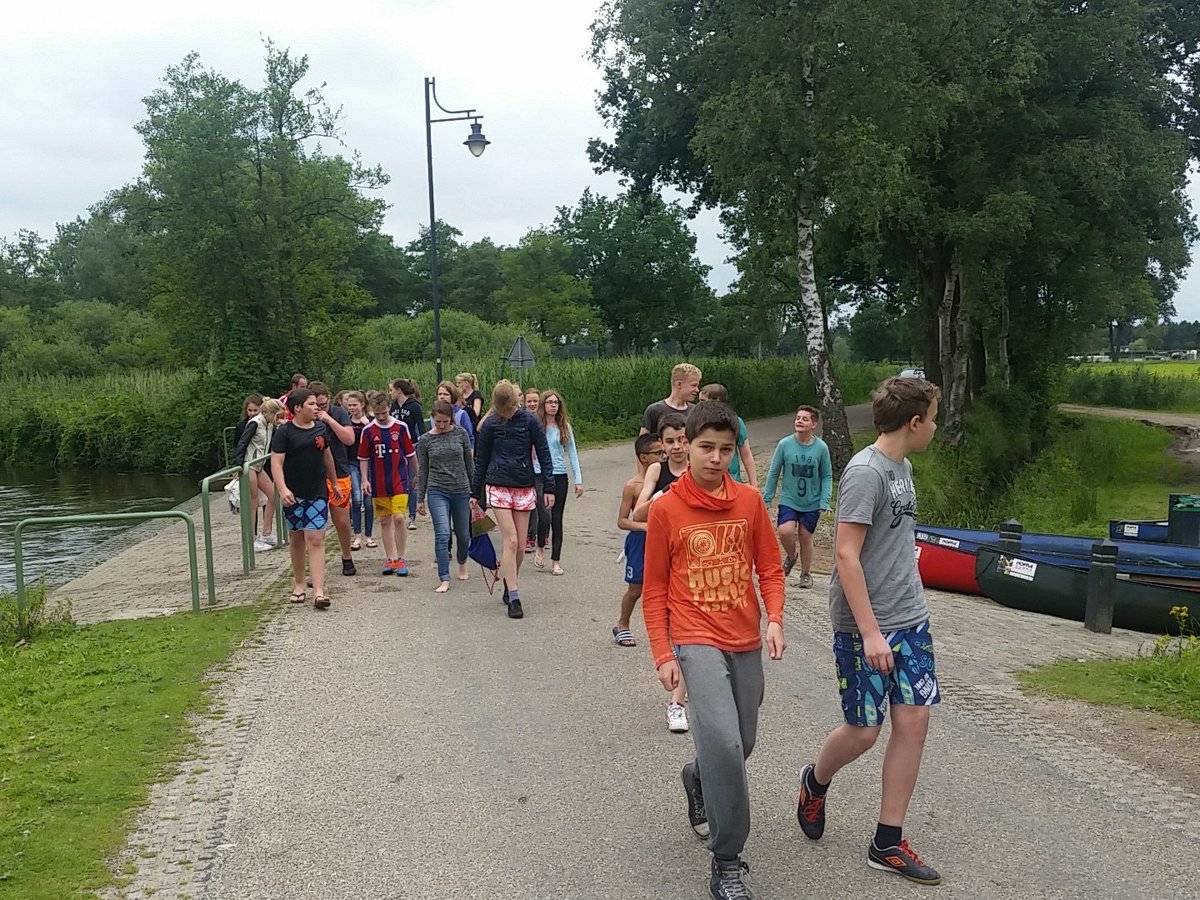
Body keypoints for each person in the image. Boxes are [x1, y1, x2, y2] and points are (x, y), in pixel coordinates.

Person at [795, 377, 942, 886]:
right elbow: (845, 555)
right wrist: (871, 633)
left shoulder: (904, 468)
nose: (936, 427)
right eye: (934, 418)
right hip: (866, 627)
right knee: (863, 731)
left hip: (910, 619)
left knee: (914, 723)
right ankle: (815, 782)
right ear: (914, 422)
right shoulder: (866, 472)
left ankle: (887, 841)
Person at [642, 401, 786, 900]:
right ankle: (726, 861)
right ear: (685, 445)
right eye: (707, 447)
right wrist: (663, 653)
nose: (716, 458)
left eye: (726, 449)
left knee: (740, 743)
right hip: (694, 636)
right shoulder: (666, 509)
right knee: (724, 744)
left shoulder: (749, 502)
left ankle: (698, 777)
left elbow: (770, 568)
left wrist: (775, 619)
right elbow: (655, 589)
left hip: (745, 638)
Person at [471, 379, 554, 620]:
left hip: (524, 485)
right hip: (497, 485)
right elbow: (481, 459)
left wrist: (549, 487)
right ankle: (515, 597)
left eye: (509, 409)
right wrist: (475, 493)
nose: (506, 414)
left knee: (519, 546)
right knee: (512, 540)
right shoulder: (490, 424)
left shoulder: (530, 421)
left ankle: (510, 581)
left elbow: (544, 453)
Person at [632, 412, 691, 732]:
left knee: (688, 630)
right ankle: (680, 690)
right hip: (662, 552)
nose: (677, 447)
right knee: (671, 628)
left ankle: (677, 702)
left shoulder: (700, 469)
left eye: (682, 440)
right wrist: (664, 495)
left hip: (693, 555)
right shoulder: (657, 470)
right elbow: (638, 512)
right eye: (670, 442)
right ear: (663, 445)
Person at [270, 388, 342, 610]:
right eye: (311, 404)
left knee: (316, 538)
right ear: (298, 408)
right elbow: (276, 463)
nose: (316, 407)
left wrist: (334, 482)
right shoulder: (284, 432)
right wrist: (282, 489)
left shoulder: (320, 428)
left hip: (317, 491)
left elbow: (327, 456)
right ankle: (299, 584)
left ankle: (319, 591)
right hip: (293, 493)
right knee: (297, 538)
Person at [762, 404, 833, 586]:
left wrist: (824, 501)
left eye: (805, 419)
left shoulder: (821, 448)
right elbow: (774, 472)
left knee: (805, 536)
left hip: (811, 501)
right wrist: (767, 498)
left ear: (813, 424)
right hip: (789, 499)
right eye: (798, 418)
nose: (800, 421)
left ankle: (806, 574)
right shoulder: (784, 444)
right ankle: (791, 556)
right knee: (785, 531)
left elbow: (826, 476)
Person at [415, 400, 475, 593]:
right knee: (443, 533)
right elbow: (423, 470)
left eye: (445, 421)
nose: (441, 425)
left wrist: (476, 492)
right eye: (438, 421)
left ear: (451, 419)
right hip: (437, 489)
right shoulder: (425, 440)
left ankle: (462, 561)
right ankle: (444, 577)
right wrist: (420, 498)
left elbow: (469, 463)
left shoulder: (460, 434)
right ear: (432, 418)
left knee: (463, 535)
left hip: (461, 489)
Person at [612, 432, 664, 648]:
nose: (663, 456)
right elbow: (622, 521)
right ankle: (622, 624)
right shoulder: (633, 485)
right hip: (639, 542)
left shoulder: (667, 479)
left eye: (664, 452)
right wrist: (645, 527)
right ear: (644, 457)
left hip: (663, 540)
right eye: (658, 453)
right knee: (635, 589)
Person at [358, 390, 418, 576]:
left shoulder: (400, 428)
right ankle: (390, 559)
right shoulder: (368, 431)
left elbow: (410, 454)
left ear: (389, 408)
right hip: (379, 483)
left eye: (384, 413)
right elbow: (363, 458)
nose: (381, 417)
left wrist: (418, 474)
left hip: (399, 479)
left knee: (399, 518)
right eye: (377, 414)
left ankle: (401, 558)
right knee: (384, 520)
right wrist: (364, 479)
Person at [533, 389, 584, 576]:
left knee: (556, 518)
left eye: (556, 402)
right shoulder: (537, 426)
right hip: (539, 474)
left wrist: (578, 480)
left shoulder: (564, 427)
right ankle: (540, 545)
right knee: (544, 515)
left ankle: (556, 560)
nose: (553, 406)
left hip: (559, 475)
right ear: (543, 405)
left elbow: (572, 453)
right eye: (549, 402)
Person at [310, 382, 358, 577]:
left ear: (328, 399)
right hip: (315, 475)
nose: (319, 408)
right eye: (315, 405)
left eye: (323, 404)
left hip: (339, 472)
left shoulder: (339, 413)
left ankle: (346, 556)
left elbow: (349, 439)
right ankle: (316, 568)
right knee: (315, 526)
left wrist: (328, 420)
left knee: (342, 521)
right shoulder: (306, 418)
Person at [234, 397, 284, 552]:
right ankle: (251, 539)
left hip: (259, 465)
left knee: (273, 496)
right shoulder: (255, 423)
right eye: (277, 416)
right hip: (249, 465)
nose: (278, 419)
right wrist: (238, 466)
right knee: (253, 501)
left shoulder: (269, 424)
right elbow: (242, 443)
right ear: (269, 413)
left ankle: (266, 533)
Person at [698, 384, 756, 486]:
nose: (699, 405)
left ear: (717, 401)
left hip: (733, 482)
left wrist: (754, 484)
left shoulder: (736, 422)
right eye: (699, 401)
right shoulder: (697, 422)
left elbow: (746, 455)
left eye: (703, 401)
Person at [344, 391, 377, 551]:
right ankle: (357, 535)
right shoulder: (346, 421)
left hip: (368, 463)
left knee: (368, 501)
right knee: (356, 499)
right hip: (352, 462)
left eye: (355, 405)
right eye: (349, 405)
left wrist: (367, 424)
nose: (352, 408)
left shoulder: (370, 421)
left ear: (362, 405)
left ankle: (368, 535)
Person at [394, 379, 426, 531]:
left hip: (411, 446)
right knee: (398, 480)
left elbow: (421, 427)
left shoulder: (414, 406)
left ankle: (412, 516)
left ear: (399, 390)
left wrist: (422, 447)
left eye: (391, 390)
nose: (390, 393)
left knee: (412, 481)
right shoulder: (393, 406)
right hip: (395, 447)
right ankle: (398, 512)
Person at [640, 362, 701, 436]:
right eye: (693, 385)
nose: (697, 390)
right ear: (679, 384)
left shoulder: (695, 411)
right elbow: (643, 441)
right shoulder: (654, 410)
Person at [522, 387, 542, 554]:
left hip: (540, 468)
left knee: (539, 504)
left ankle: (536, 535)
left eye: (535, 401)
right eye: (529, 401)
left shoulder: (543, 420)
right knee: (529, 504)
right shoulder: (521, 420)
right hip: (525, 467)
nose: (532, 404)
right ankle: (529, 535)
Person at [430, 380, 475, 447]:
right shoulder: (433, 415)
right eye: (440, 394)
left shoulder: (461, 414)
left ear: (452, 396)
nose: (442, 397)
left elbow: (470, 438)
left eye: (446, 394)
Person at [233, 394, 263, 458]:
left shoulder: (267, 425)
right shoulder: (241, 425)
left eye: (255, 410)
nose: (252, 413)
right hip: (248, 458)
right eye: (250, 410)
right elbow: (237, 445)